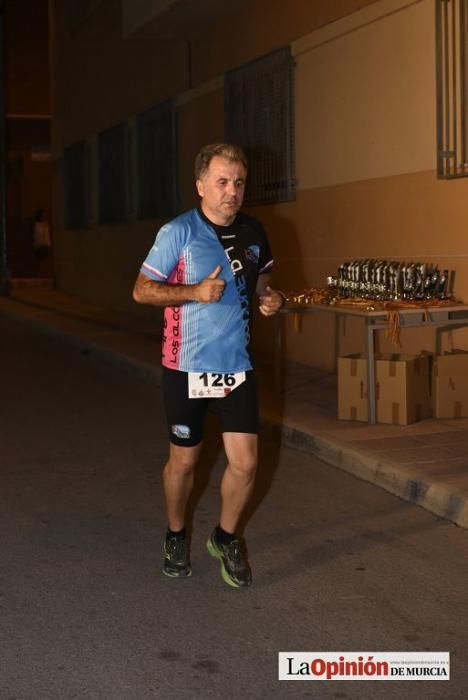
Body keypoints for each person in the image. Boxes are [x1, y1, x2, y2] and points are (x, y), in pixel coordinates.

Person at [132, 143, 284, 588]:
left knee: (246, 463)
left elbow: (263, 285)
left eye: (238, 182)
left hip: (236, 367)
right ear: (200, 185)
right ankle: (176, 533)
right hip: (186, 365)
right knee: (184, 463)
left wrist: (271, 299)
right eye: (221, 182)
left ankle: (226, 536)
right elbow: (142, 290)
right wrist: (193, 292)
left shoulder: (255, 231)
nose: (231, 191)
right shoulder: (177, 232)